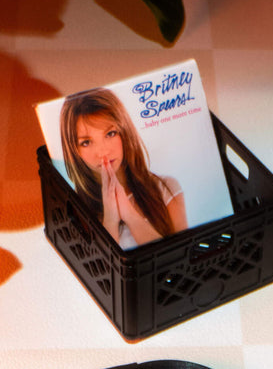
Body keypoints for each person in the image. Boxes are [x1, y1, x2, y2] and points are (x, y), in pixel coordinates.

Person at [59, 87, 187, 249]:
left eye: (110, 134)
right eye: (86, 142)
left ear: (124, 132)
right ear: (73, 150)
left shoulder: (166, 189)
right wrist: (110, 220)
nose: (103, 152)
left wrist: (129, 214)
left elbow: (181, 257)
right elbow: (100, 270)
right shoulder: (76, 212)